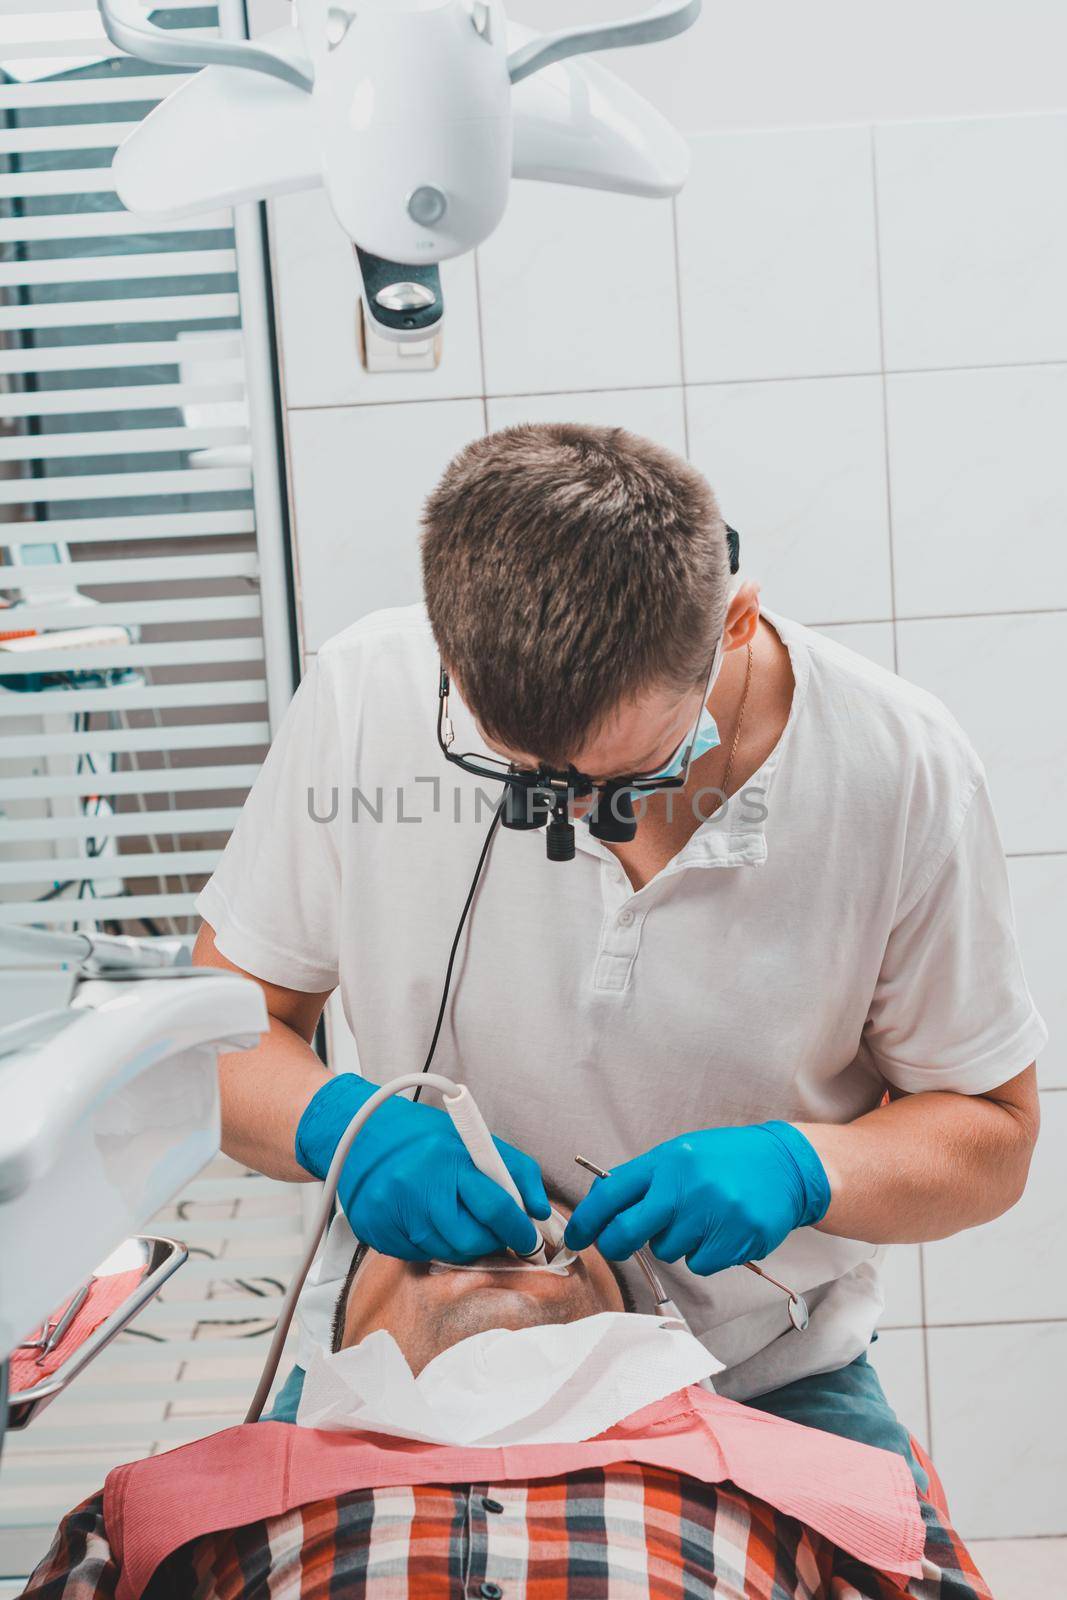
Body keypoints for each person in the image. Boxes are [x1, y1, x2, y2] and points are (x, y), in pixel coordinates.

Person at [192, 423, 1045, 1470]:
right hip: (417, 1363)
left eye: (622, 777)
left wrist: (807, 1165)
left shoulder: (899, 769)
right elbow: (219, 1038)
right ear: (446, 651)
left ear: (734, 620)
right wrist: (341, 1125)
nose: (571, 818)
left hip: (762, 1371)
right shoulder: (367, 694)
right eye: (520, 776)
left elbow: (992, 1134)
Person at [25, 1210, 992, 1599]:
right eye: (432, 1240)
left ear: (634, 1309)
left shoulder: (844, 1482)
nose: (501, 1230)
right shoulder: (158, 1504)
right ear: (341, 1325)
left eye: (545, 1241)